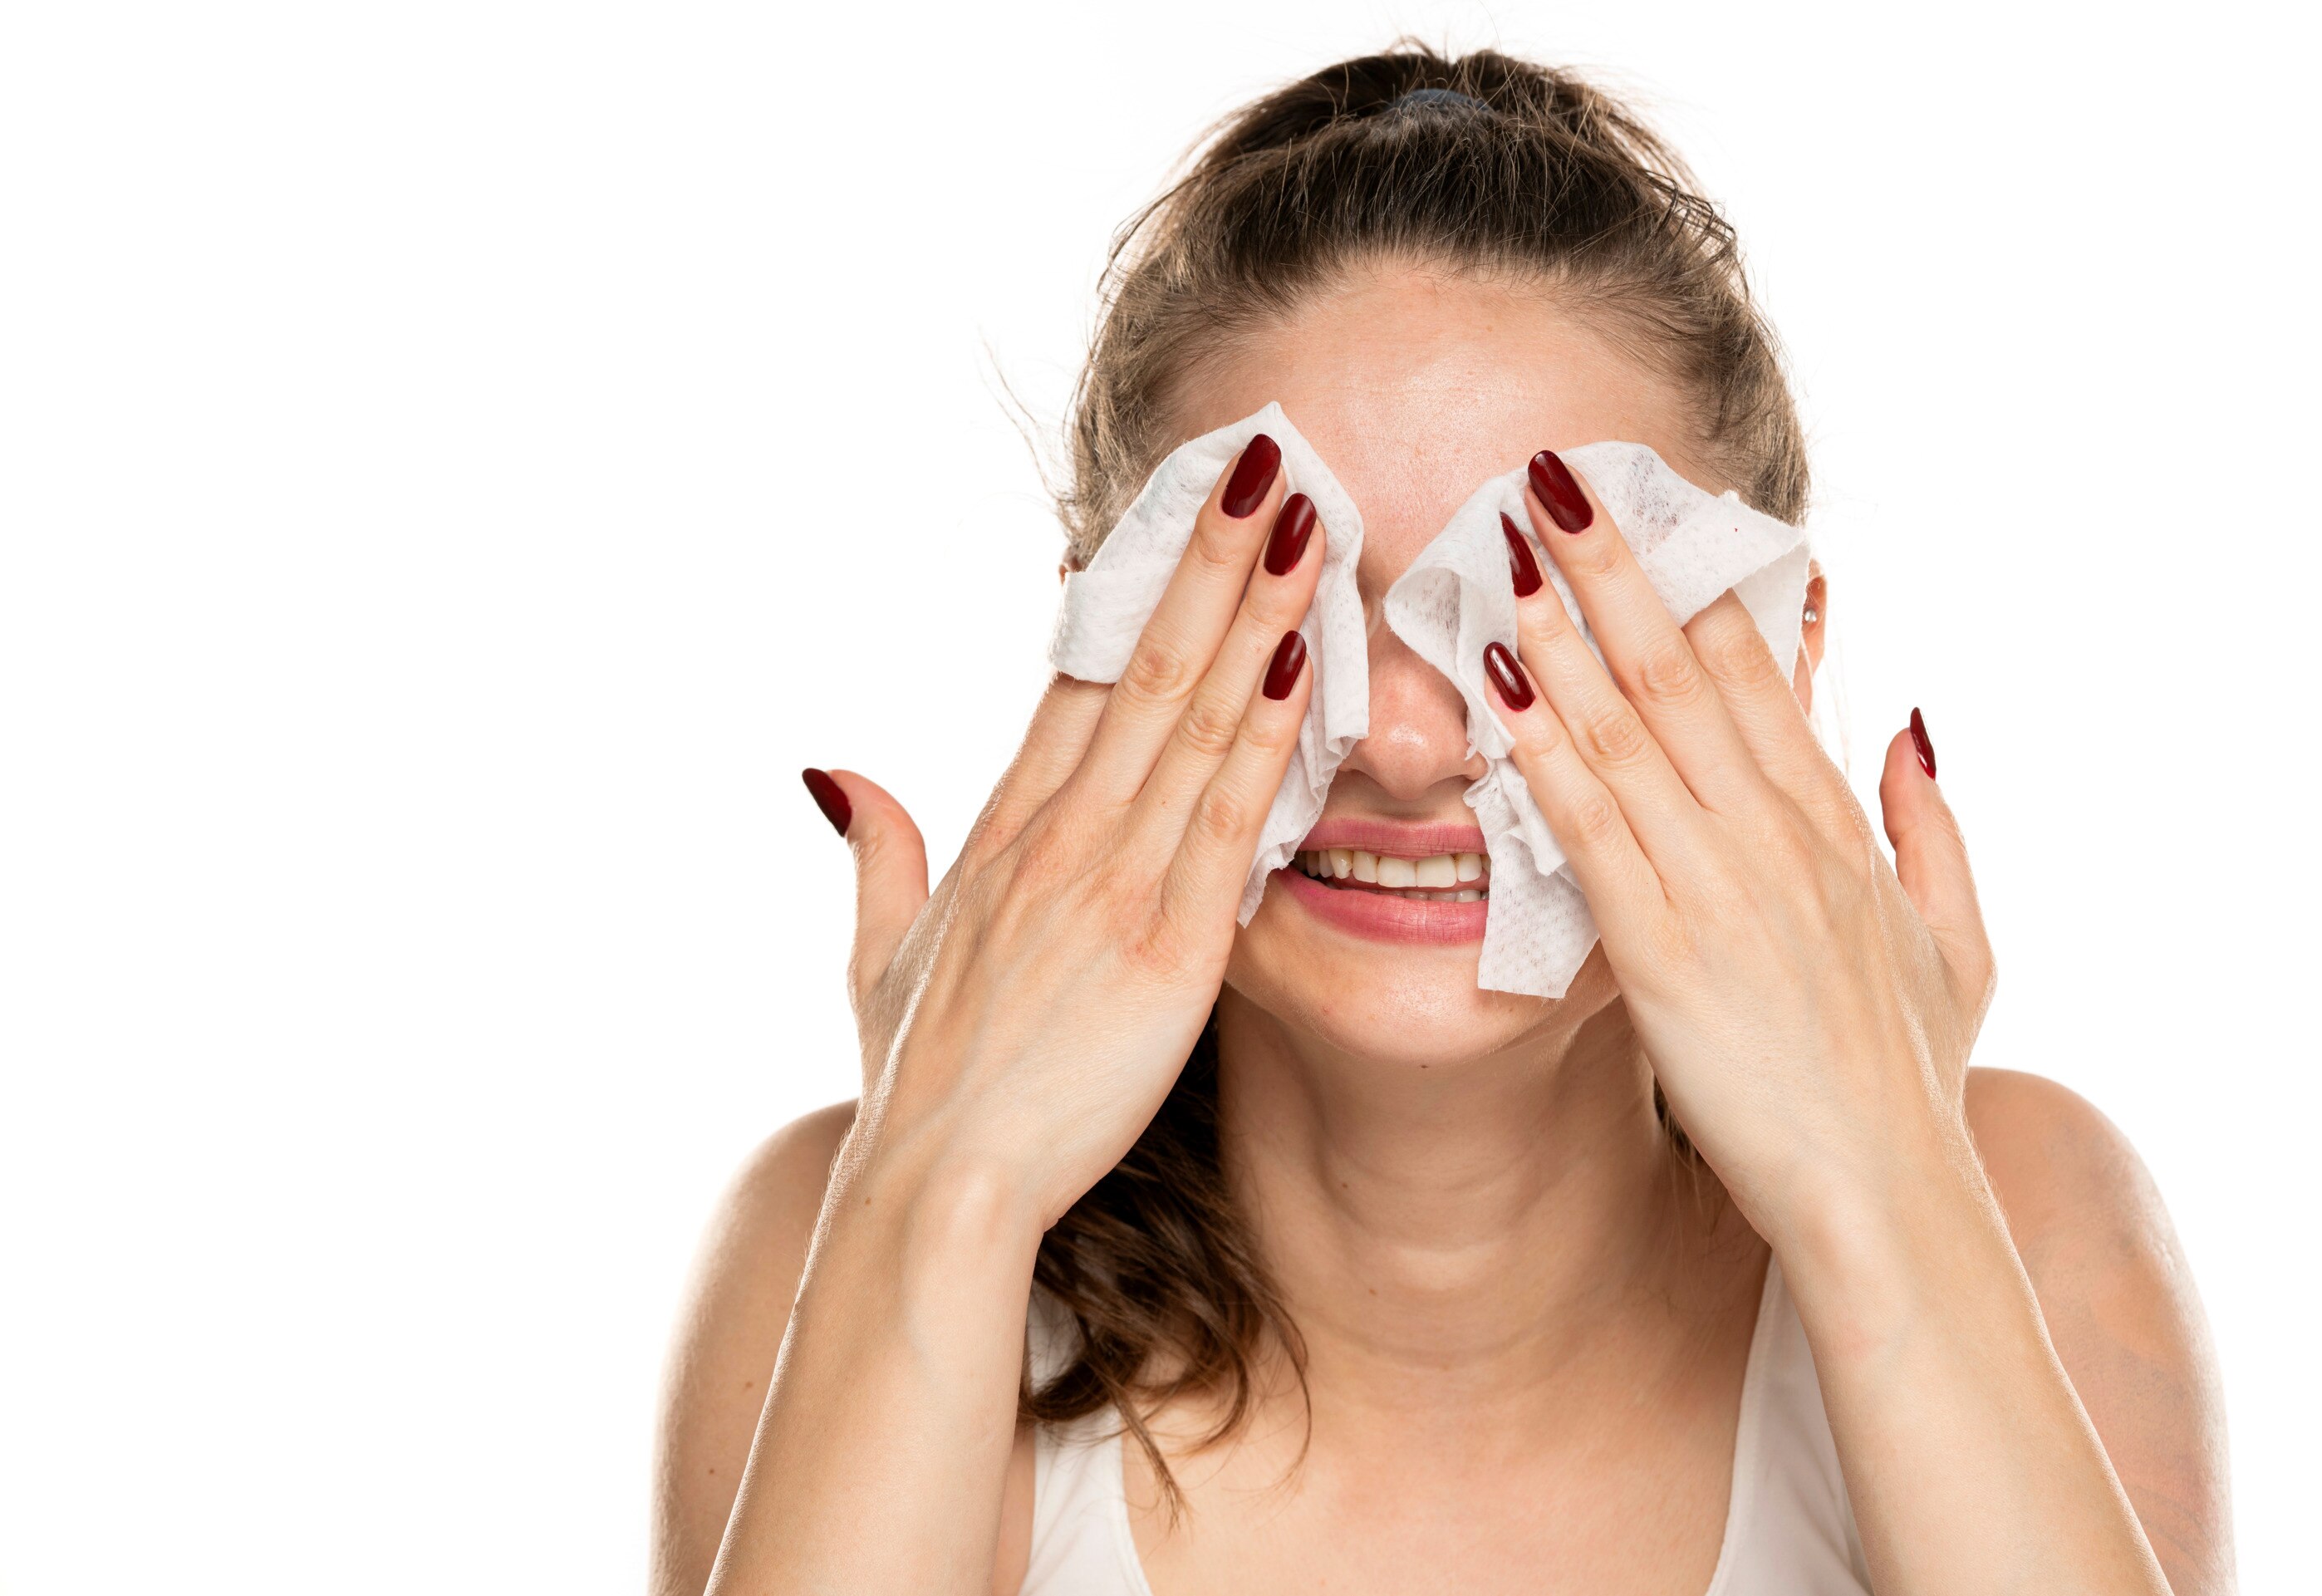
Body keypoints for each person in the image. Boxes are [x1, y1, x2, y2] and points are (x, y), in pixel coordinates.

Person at [650, 47, 2231, 1596]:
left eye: (1538, 618)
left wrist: (1881, 1185)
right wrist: (948, 1183)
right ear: (1110, 653)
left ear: (1779, 657)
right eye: (1301, 608)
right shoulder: (842, 1232)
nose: (1405, 744)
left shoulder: (2020, 1208)